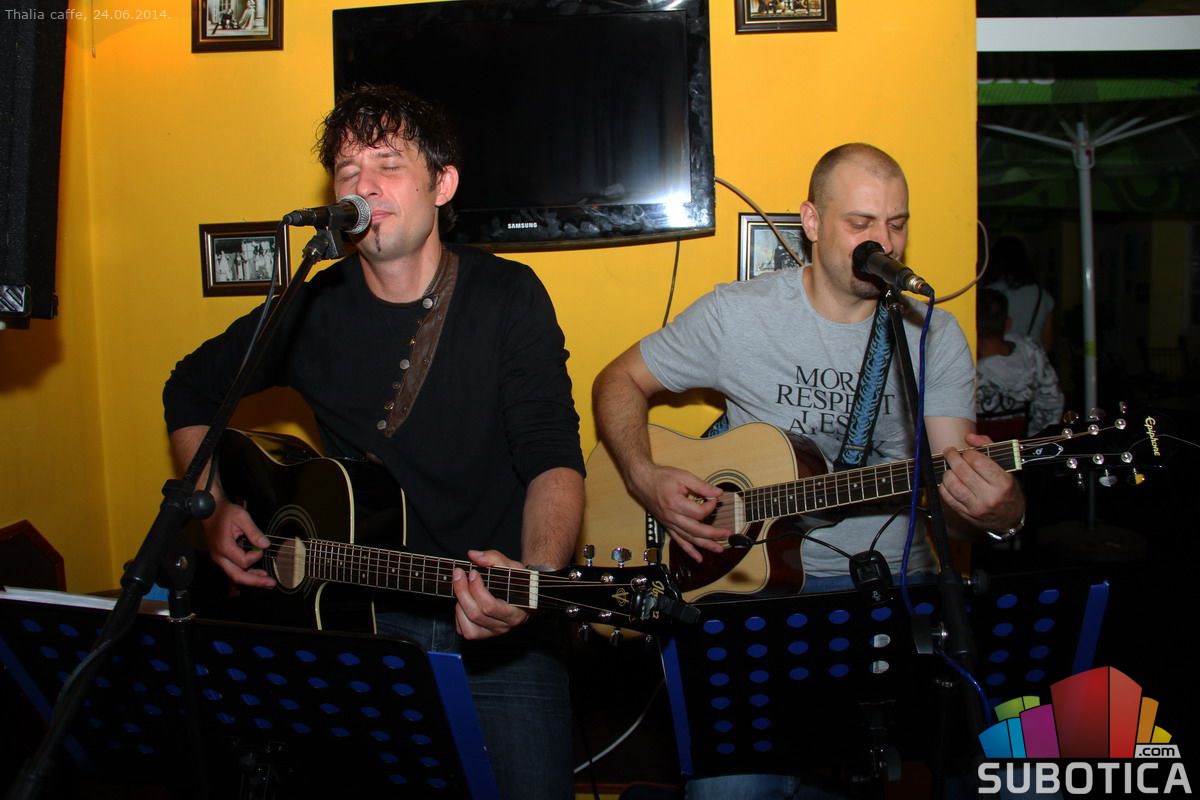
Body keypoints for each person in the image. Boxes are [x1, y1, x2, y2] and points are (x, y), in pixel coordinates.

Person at [163, 85, 585, 800]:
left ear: (442, 185)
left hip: (496, 627)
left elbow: (552, 457)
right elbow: (190, 388)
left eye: (389, 164)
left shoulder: (508, 296)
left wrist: (533, 582)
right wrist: (214, 509)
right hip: (353, 622)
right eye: (348, 170)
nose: (364, 185)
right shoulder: (310, 306)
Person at [592, 143, 1026, 797]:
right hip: (751, 591)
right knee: (730, 792)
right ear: (813, 221)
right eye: (861, 223)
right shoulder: (738, 315)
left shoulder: (930, 335)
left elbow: (957, 509)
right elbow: (617, 381)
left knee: (1009, 768)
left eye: (897, 224)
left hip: (891, 592)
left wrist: (1001, 512)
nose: (884, 243)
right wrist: (644, 476)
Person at [975, 288, 1064, 439]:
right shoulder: (1031, 353)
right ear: (1007, 324)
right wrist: (1034, 442)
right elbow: (1052, 402)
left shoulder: (959, 364)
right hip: (1024, 444)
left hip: (974, 446)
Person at [984, 235, 1054, 353]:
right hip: (1032, 361)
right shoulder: (1043, 296)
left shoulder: (988, 294)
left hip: (998, 360)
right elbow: (1047, 344)